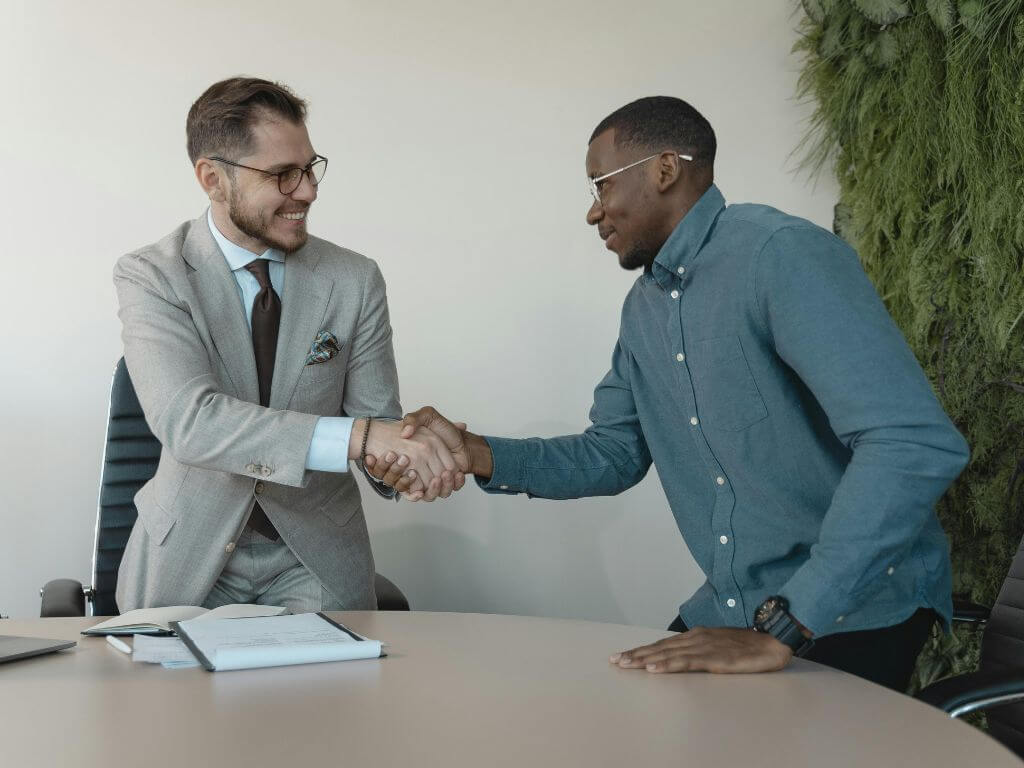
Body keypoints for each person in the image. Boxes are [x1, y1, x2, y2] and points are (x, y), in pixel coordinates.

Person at [364, 96, 970, 690]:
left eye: (600, 185)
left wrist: (788, 623)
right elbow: (613, 454)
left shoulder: (779, 254)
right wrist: (473, 452)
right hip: (738, 608)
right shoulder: (644, 309)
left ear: (664, 169)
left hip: (849, 608)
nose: (593, 212)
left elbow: (911, 442)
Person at [113, 77, 462, 614]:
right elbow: (189, 422)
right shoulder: (153, 275)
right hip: (189, 557)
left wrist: (404, 460)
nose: (308, 191)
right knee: (173, 699)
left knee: (328, 699)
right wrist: (365, 438)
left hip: (314, 556)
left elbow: (375, 422)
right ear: (213, 179)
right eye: (282, 175)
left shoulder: (354, 278)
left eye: (310, 167)